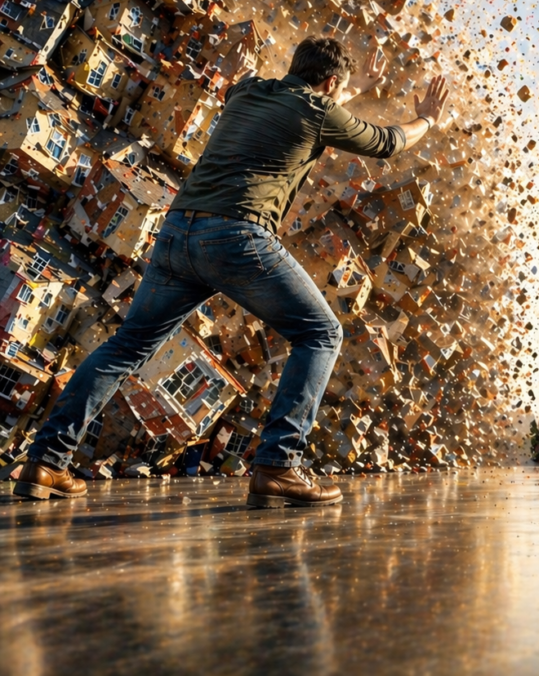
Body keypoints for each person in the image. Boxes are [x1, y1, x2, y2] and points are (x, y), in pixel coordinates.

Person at [14, 36, 449, 508]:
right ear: (329, 84)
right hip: (237, 238)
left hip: (177, 231)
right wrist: (427, 118)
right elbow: (387, 143)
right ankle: (278, 465)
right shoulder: (318, 110)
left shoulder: (248, 91)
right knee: (321, 334)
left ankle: (46, 463)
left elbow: (293, 98)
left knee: (126, 347)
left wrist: (353, 86)